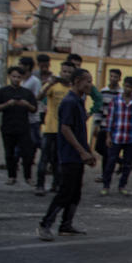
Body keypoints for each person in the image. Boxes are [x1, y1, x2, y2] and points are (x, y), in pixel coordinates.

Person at [37, 68, 97, 241]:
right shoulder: (69, 101)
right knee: (65, 192)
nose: (90, 85)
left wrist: (88, 153)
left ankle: (66, 225)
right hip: (69, 156)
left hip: (77, 156)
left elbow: (80, 131)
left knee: (75, 192)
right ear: (77, 81)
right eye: (87, 81)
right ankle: (45, 224)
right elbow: (65, 128)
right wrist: (81, 152)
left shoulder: (78, 101)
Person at [34, 61, 74, 195]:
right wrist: (49, 83)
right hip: (50, 128)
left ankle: (56, 185)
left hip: (64, 130)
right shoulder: (53, 85)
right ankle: (40, 185)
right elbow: (39, 97)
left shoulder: (73, 90)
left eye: (69, 72)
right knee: (44, 158)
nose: (66, 74)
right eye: (64, 71)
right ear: (60, 71)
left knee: (59, 159)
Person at [101, 77, 132, 195]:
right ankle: (106, 185)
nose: (128, 89)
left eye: (130, 87)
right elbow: (110, 119)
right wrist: (108, 136)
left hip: (131, 137)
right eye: (126, 86)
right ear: (123, 85)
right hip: (117, 136)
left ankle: (122, 186)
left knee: (127, 164)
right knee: (111, 162)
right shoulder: (116, 100)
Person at [0, 66, 37, 185]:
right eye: (14, 76)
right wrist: (8, 104)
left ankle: (28, 177)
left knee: (27, 154)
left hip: (23, 127)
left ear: (22, 78)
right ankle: (11, 176)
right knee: (9, 153)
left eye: (19, 77)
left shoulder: (26, 93)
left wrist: (26, 104)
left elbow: (34, 109)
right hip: (8, 127)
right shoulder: (3, 91)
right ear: (9, 76)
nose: (16, 79)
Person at [94, 69, 122, 179]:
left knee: (107, 150)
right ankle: (120, 161)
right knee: (99, 148)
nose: (113, 79)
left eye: (115, 77)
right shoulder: (103, 91)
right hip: (104, 125)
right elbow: (99, 108)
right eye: (111, 76)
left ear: (119, 78)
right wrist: (97, 124)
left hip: (115, 127)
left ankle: (105, 175)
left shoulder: (121, 93)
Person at [19, 57, 42, 167]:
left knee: (35, 140)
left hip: (33, 116)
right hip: (21, 116)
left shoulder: (34, 81)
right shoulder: (21, 80)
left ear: (27, 66)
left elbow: (37, 97)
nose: (19, 66)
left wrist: (27, 102)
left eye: (21, 64)